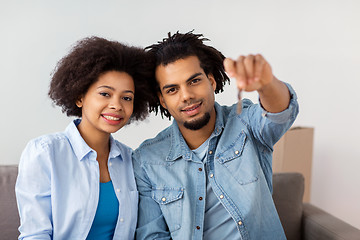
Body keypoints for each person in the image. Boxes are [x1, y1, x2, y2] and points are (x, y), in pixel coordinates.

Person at [132, 31, 299, 240]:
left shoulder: (244, 123)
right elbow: (151, 236)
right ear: (163, 100)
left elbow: (280, 114)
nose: (186, 96)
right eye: (172, 89)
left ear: (211, 81)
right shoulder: (147, 160)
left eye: (194, 81)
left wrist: (266, 83)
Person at [15, 36, 154, 240]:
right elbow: (35, 235)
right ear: (80, 97)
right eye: (105, 94)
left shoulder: (131, 160)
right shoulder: (45, 153)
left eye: (127, 98)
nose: (117, 105)